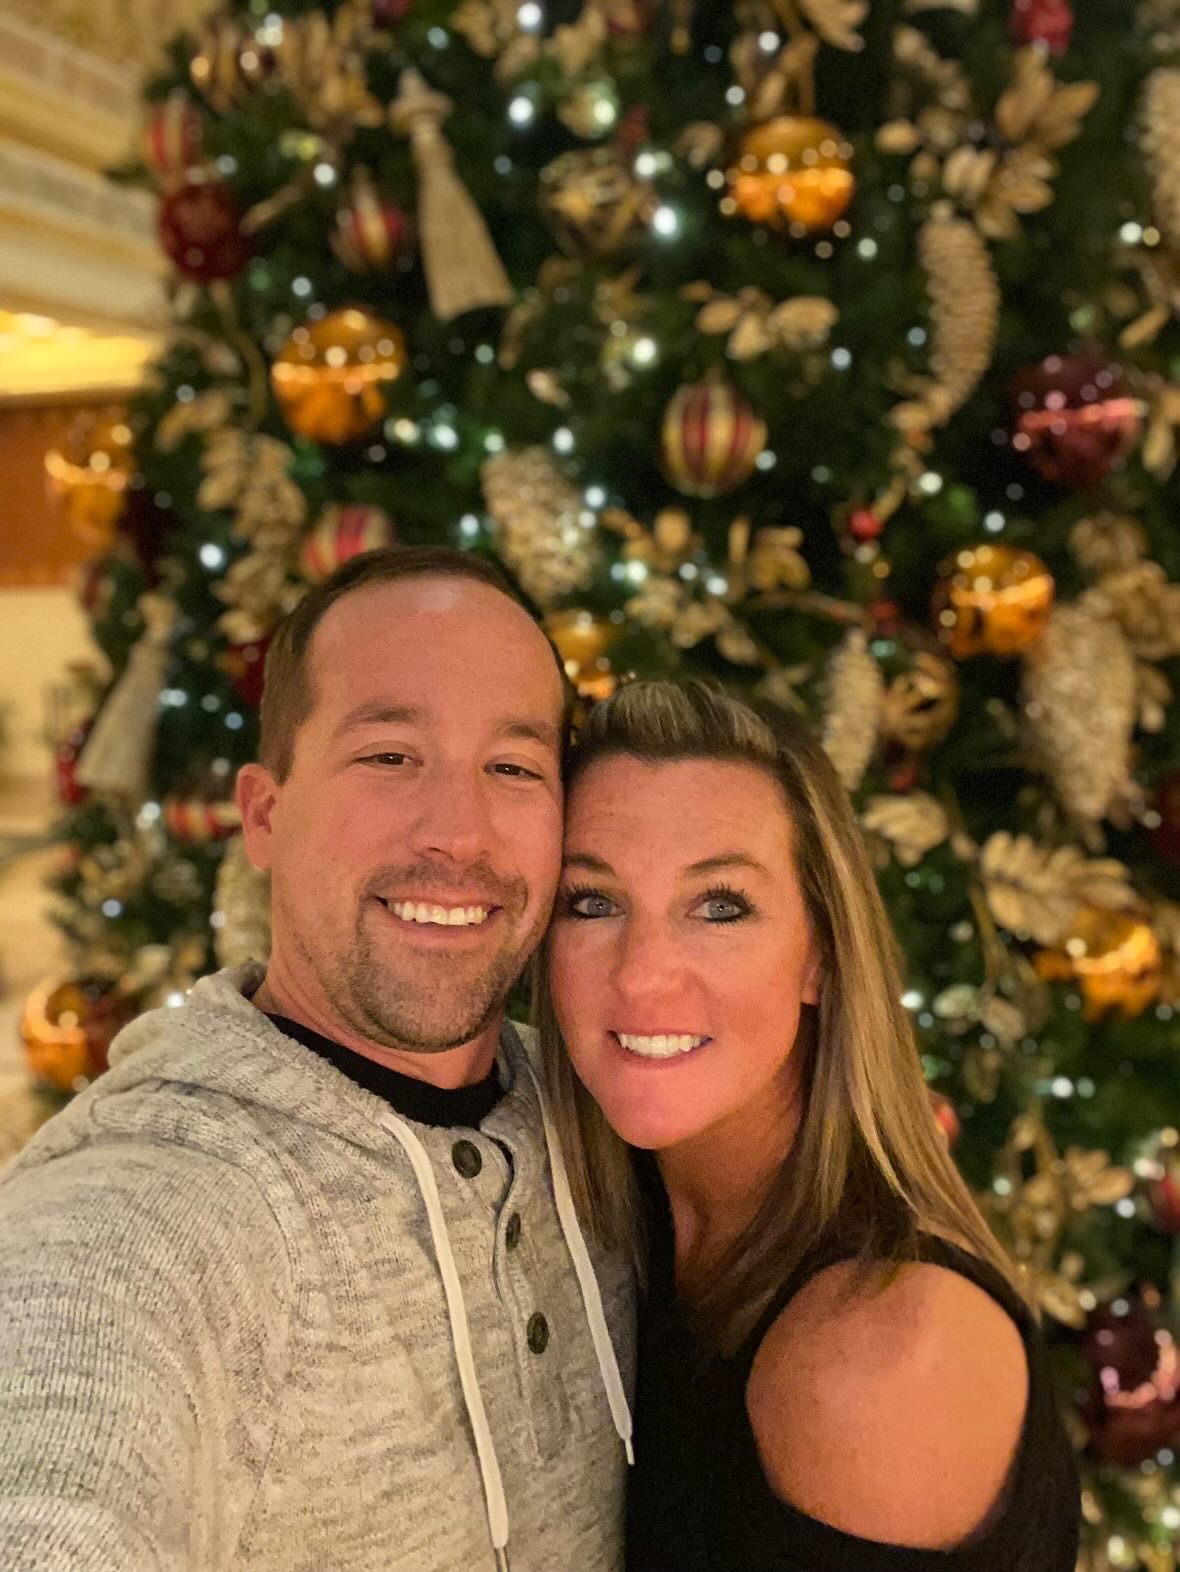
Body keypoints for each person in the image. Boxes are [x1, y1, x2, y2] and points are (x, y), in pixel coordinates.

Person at [0, 546, 633, 1572]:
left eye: (513, 766)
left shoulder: (606, 1116)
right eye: (389, 755)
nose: (459, 833)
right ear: (263, 814)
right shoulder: (144, 1222)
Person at [536, 679, 1080, 1572]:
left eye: (719, 906)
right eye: (592, 903)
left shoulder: (880, 1362)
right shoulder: (605, 1222)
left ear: (820, 958)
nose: (640, 976)